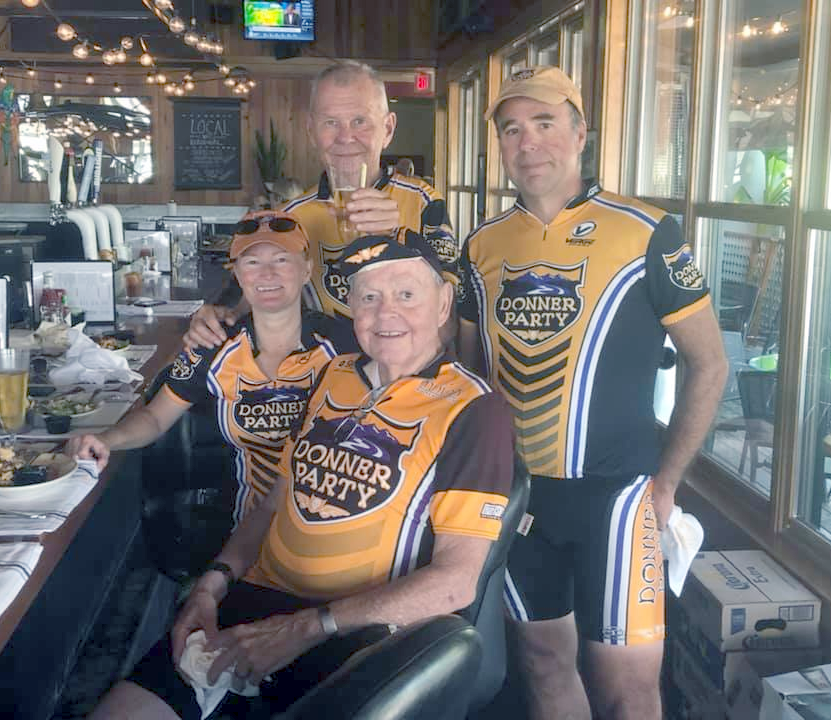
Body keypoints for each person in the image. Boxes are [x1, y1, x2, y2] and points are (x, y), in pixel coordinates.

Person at [88, 231, 515, 720]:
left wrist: (307, 627)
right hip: (253, 603)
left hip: (358, 634)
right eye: (369, 297)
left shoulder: (475, 409)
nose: (385, 313)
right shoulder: (335, 376)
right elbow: (275, 502)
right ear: (351, 308)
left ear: (442, 305)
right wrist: (214, 582)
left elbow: (457, 582)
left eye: (407, 294)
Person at [457, 66, 728, 720]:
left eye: (545, 124)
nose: (529, 143)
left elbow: (710, 364)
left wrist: (664, 483)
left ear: (581, 133)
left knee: (627, 693)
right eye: (513, 129)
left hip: (620, 496)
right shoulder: (481, 247)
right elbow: (465, 378)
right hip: (519, 497)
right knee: (544, 667)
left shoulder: (647, 232)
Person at [67, 211, 354, 527]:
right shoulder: (214, 343)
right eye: (252, 262)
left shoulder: (345, 344)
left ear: (306, 270)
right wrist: (108, 439)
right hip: (246, 530)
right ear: (238, 274)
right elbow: (155, 417)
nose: (267, 273)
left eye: (282, 260)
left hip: (332, 525)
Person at [186, 60, 456, 349]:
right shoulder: (289, 217)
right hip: (323, 380)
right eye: (331, 122)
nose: (345, 137)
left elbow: (450, 325)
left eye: (359, 121)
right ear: (311, 131)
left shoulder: (423, 201)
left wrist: (399, 241)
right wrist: (216, 318)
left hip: (407, 384)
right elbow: (249, 303)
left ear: (388, 129)